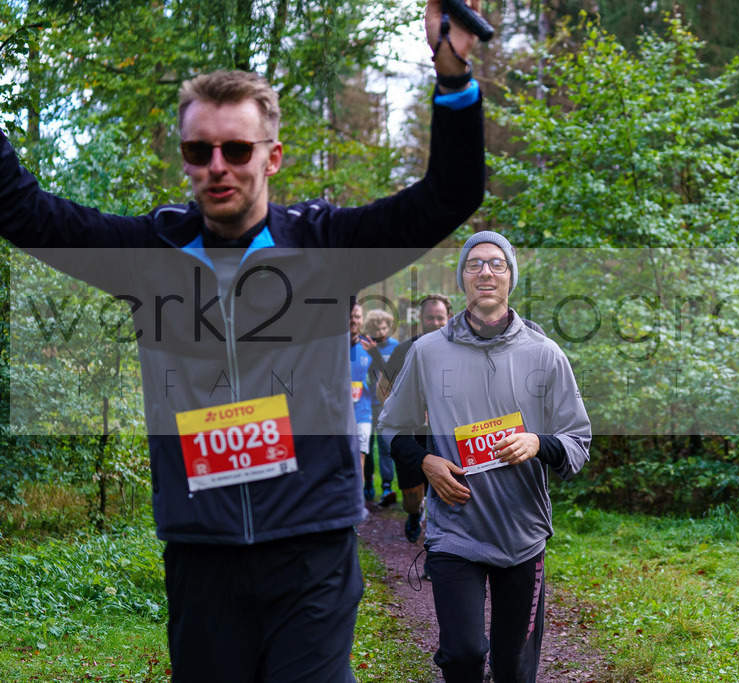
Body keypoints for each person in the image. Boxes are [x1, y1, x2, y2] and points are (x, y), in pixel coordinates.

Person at [0, 1, 485, 679]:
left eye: (236, 149)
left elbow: (449, 194)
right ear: (185, 159)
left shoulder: (326, 247)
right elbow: (23, 210)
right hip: (203, 555)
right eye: (200, 151)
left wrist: (453, 71)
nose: (218, 166)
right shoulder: (149, 255)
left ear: (273, 156)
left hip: (311, 546)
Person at [379, 231, 591, 683]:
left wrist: (538, 442)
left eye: (496, 263)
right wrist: (425, 462)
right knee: (463, 656)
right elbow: (393, 427)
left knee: (513, 669)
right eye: (474, 264)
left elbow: (577, 441)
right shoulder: (428, 352)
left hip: (522, 533)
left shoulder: (545, 353)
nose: (485, 272)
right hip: (456, 531)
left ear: (511, 276)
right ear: (462, 279)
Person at [377, 293, 454, 541]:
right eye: (429, 317)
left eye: (439, 318)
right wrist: (401, 411)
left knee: (443, 491)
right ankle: (414, 513)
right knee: (411, 498)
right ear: (420, 318)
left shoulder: (460, 349)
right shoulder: (403, 350)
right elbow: (382, 388)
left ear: (449, 317)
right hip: (411, 433)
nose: (434, 322)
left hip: (446, 433)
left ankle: (437, 541)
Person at [360, 308, 400, 505]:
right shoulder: (363, 345)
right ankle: (368, 481)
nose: (381, 332)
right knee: (366, 445)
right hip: (367, 402)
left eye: (385, 327)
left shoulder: (395, 346)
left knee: (385, 446)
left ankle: (386, 487)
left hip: (387, 402)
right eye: (377, 329)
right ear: (369, 330)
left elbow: (392, 373)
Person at [350, 302, 373, 481]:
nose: (353, 320)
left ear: (362, 319)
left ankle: (359, 500)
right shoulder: (333, 348)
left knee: (361, 454)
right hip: (337, 413)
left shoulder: (368, 346)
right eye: (350, 316)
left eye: (357, 316)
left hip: (362, 411)